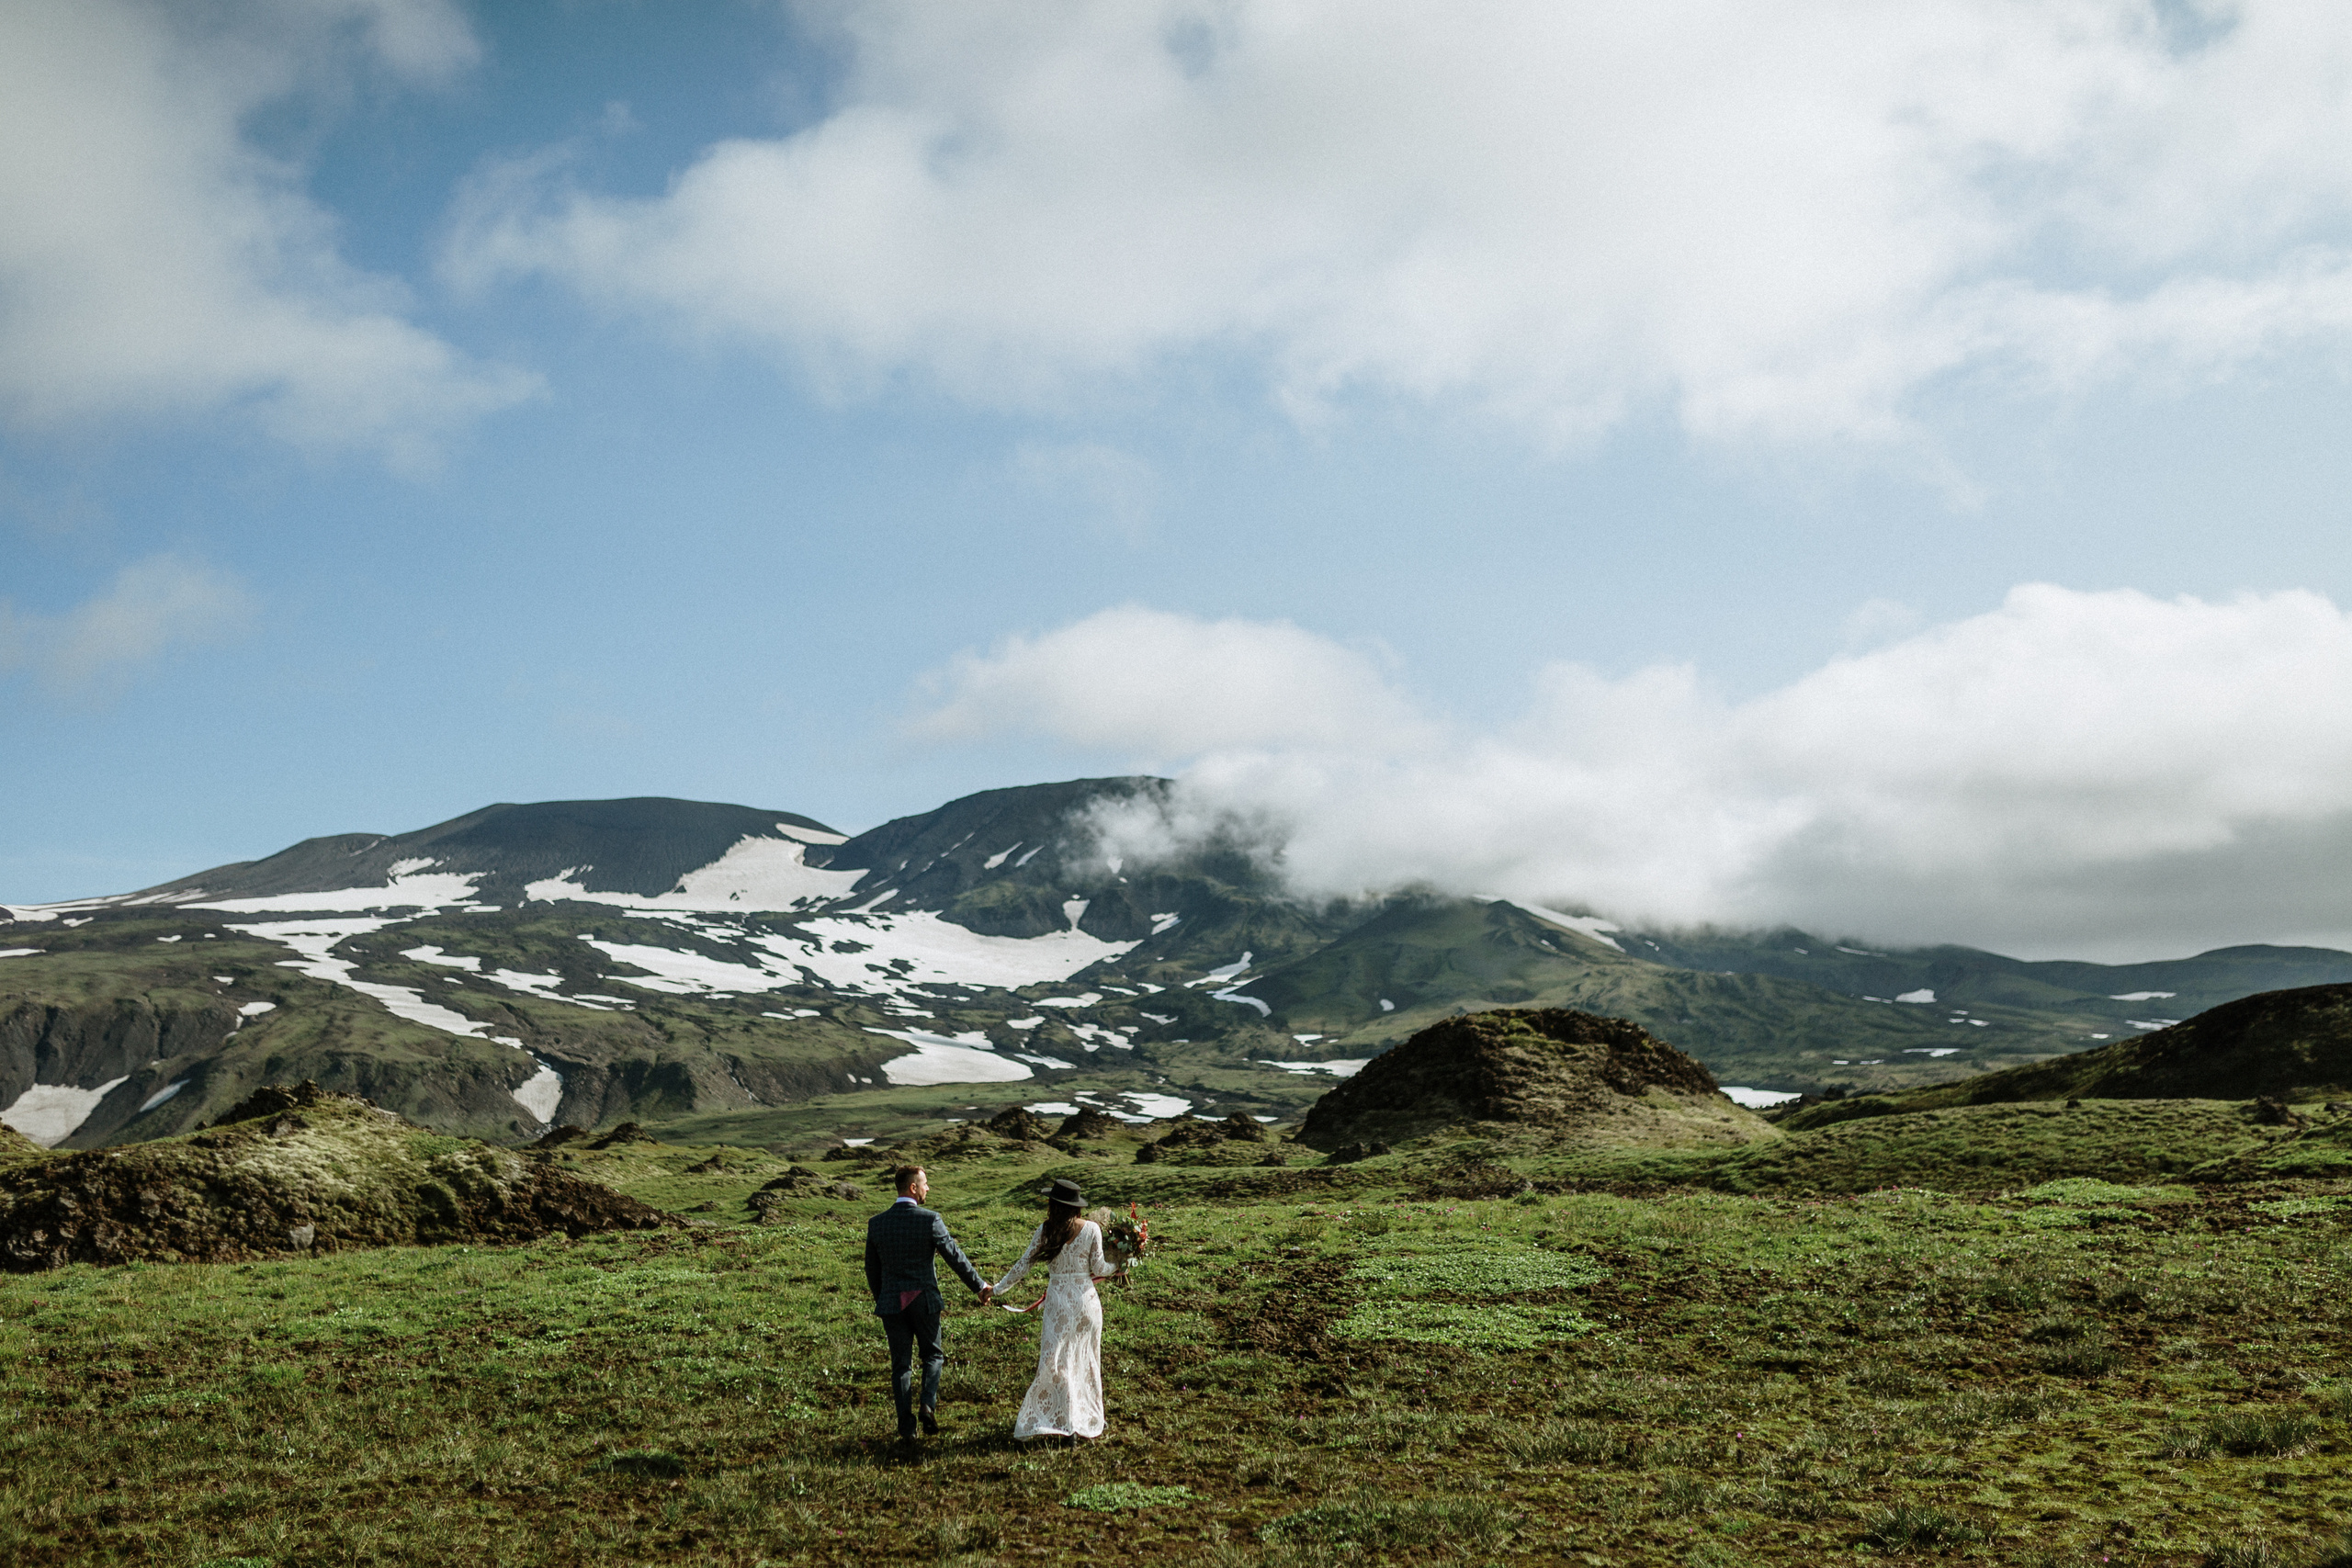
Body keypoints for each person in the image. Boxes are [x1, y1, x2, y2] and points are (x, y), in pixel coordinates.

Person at [863, 1165, 991, 1441]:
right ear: (912, 1187)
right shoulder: (930, 1219)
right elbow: (954, 1257)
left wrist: (884, 1298)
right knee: (933, 1355)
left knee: (901, 1365)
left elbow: (871, 1270)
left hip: (891, 1304)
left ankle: (906, 1429)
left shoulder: (877, 1223)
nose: (927, 1188)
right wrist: (979, 1287)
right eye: (925, 1183)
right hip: (924, 1300)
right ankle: (927, 1404)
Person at [991, 1177, 1116, 1440]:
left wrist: (996, 1290)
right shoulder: (1092, 1228)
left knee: (1055, 1361)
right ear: (1077, 1206)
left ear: (1053, 1204)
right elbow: (1099, 1269)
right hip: (1085, 1302)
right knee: (1087, 1359)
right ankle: (1083, 1417)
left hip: (1058, 1302)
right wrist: (1119, 1264)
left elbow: (1023, 1265)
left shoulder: (1046, 1230)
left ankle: (1060, 1418)